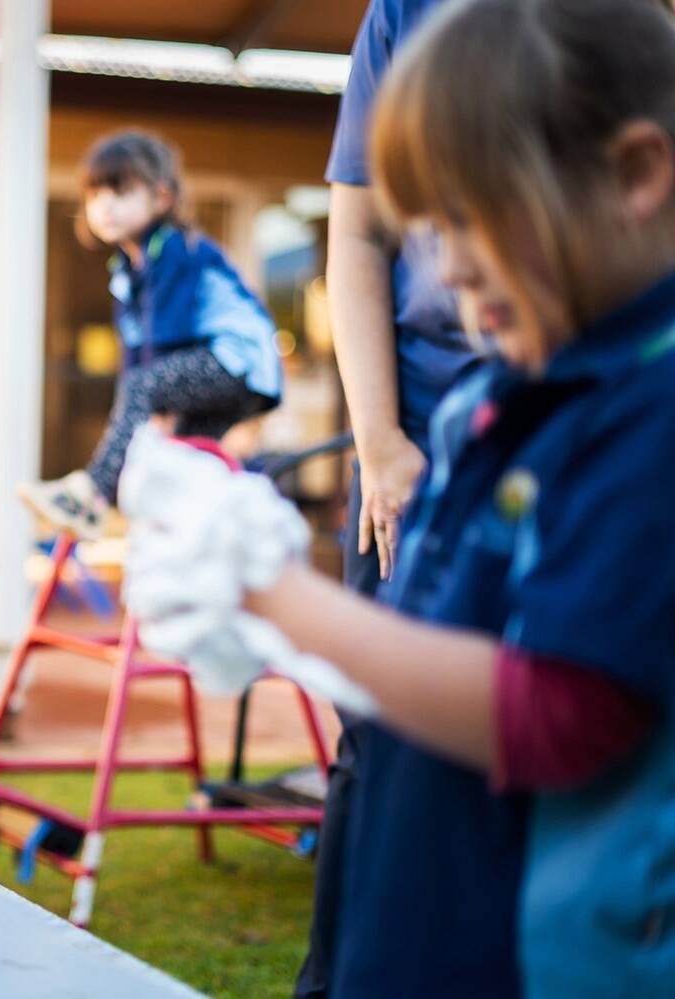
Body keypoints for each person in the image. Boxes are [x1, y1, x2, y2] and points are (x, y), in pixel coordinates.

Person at [138, 0, 675, 991]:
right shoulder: (485, 403)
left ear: (635, 175)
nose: (448, 264)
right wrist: (264, 628)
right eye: (429, 222)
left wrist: (284, 600)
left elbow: (559, 715)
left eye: (476, 211)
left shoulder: (643, 413)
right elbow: (412, 667)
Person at [296, 0, 473, 993]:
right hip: (413, 439)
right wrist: (381, 443)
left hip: (559, 427)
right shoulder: (406, 10)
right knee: (379, 725)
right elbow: (358, 235)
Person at [19, 129, 282, 538]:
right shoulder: (127, 270)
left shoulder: (174, 250)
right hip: (221, 367)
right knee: (180, 455)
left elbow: (166, 342)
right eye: (94, 195)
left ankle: (92, 494)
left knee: (149, 393)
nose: (104, 205)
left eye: (120, 192)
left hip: (238, 362)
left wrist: (151, 403)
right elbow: (135, 352)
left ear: (161, 197)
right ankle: (189, 535)